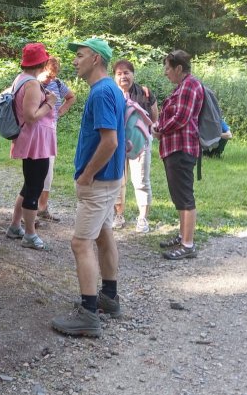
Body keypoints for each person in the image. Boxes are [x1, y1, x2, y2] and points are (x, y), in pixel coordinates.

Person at [51, 38, 125, 338]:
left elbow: (110, 141)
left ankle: (89, 314)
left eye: (80, 56)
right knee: (103, 233)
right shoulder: (108, 90)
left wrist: (86, 176)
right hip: (109, 180)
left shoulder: (102, 92)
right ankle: (109, 296)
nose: (75, 60)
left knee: (80, 243)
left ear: (96, 59)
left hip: (98, 182)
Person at [4, 43, 58, 250]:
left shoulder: (21, 79)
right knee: (34, 188)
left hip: (32, 140)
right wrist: (50, 103)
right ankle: (30, 234)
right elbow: (31, 116)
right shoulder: (32, 85)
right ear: (42, 63)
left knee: (29, 184)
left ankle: (15, 226)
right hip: (36, 142)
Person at [153, 49, 204, 260]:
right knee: (179, 196)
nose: (165, 72)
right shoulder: (182, 87)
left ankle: (188, 245)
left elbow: (181, 118)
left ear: (179, 68)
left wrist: (160, 128)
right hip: (174, 148)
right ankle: (183, 235)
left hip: (182, 149)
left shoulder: (190, 85)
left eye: (167, 68)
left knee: (184, 197)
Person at [112, 59, 159, 233]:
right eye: (119, 73)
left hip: (141, 144)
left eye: (126, 73)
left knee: (141, 181)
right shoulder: (111, 93)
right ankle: (118, 215)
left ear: (133, 74)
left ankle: (142, 218)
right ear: (114, 76)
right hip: (115, 144)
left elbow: (154, 117)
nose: (123, 76)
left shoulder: (144, 93)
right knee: (118, 180)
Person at [36, 57, 76, 222]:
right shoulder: (32, 84)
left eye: (53, 75)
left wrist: (60, 111)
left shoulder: (58, 84)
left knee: (48, 171)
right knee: (34, 171)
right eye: (48, 75)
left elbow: (71, 97)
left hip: (51, 131)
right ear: (40, 69)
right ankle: (30, 209)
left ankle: (43, 208)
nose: (50, 79)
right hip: (35, 133)